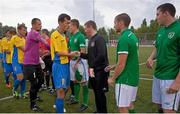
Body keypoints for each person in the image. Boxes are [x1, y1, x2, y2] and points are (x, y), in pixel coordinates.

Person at [146, 3, 180, 113]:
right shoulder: (161, 31)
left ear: (166, 14)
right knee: (159, 107)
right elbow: (157, 47)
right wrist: (151, 58)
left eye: (157, 14)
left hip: (170, 77)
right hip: (158, 75)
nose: (156, 17)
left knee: (168, 111)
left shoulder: (178, 29)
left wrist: (177, 82)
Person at [106, 13, 139, 113]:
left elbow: (121, 64)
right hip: (133, 78)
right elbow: (128, 59)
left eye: (115, 23)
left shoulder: (124, 38)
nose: (114, 25)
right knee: (129, 104)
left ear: (121, 23)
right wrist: (114, 66)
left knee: (122, 107)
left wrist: (112, 78)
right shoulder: (132, 36)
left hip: (125, 79)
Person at [80, 20, 109, 113]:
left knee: (100, 94)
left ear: (90, 27)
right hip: (93, 71)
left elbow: (101, 55)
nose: (85, 30)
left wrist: (91, 66)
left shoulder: (99, 39)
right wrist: (79, 54)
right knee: (96, 93)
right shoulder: (91, 39)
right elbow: (90, 56)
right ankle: (99, 110)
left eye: (85, 28)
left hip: (100, 71)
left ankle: (103, 112)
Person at [50, 13, 77, 113]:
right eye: (67, 23)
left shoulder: (63, 35)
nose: (68, 25)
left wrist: (70, 52)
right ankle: (59, 110)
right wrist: (71, 54)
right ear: (60, 22)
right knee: (61, 91)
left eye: (69, 23)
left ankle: (58, 104)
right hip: (59, 65)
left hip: (65, 65)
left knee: (67, 87)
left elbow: (64, 50)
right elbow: (58, 52)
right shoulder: (55, 34)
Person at [23, 18, 49, 111]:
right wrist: (52, 48)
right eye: (38, 24)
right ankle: (32, 105)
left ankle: (34, 95)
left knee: (41, 80)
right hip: (29, 63)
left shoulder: (33, 35)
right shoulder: (34, 33)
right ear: (33, 25)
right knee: (34, 84)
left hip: (36, 62)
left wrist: (42, 51)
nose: (40, 26)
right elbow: (45, 42)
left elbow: (32, 48)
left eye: (41, 24)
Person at [68, 19, 89, 112]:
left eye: (70, 26)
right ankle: (75, 98)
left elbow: (83, 51)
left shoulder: (80, 36)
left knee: (84, 82)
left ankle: (85, 103)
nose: (68, 28)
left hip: (80, 62)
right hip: (72, 62)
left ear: (74, 26)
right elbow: (70, 51)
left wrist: (77, 62)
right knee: (75, 81)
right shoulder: (71, 37)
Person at [11, 23, 27, 98]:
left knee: (24, 78)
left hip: (24, 61)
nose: (25, 31)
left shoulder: (24, 39)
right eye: (23, 30)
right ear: (19, 30)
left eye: (25, 30)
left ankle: (22, 93)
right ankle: (14, 90)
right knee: (20, 77)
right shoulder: (15, 38)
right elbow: (24, 49)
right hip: (16, 61)